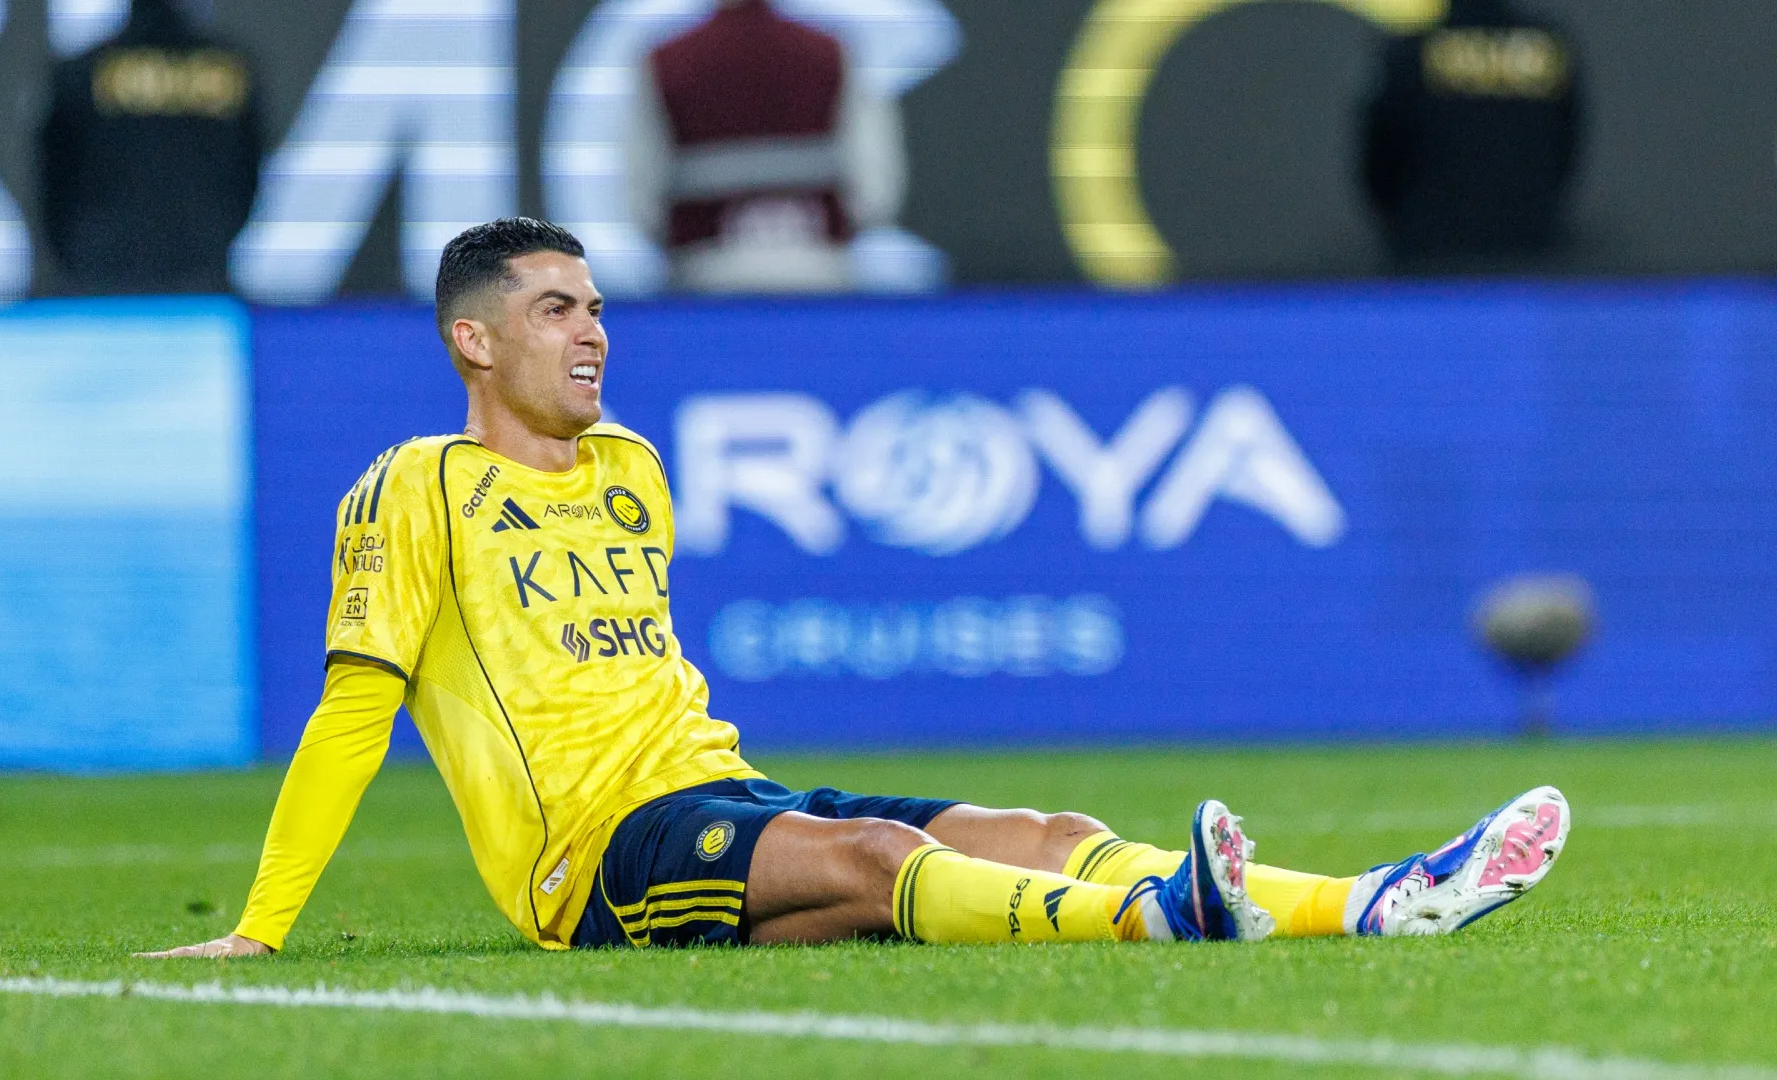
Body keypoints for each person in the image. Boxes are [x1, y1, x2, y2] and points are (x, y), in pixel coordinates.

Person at [137, 218, 1570, 958]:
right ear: (472, 340)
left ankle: (1377, 904)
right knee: (887, 870)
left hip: (719, 792)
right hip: (591, 859)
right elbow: (352, 713)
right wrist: (264, 924)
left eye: (597, 305)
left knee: (1041, 828)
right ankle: (1167, 918)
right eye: (556, 310)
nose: (595, 333)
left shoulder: (633, 466)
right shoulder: (411, 489)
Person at [623, 0, 905, 294]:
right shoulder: (830, 52)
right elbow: (876, 186)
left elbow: (641, 195)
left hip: (704, 277)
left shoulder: (667, 60)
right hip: (820, 271)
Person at [38, 0, 262, 294]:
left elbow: (51, 175)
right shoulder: (232, 70)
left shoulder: (82, 72)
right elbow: (249, 171)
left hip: (101, 279)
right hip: (198, 279)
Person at [1361, 0, 1580, 272]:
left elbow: (1379, 161)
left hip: (1429, 260)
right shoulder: (1547, 48)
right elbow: (1566, 150)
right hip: (1527, 254)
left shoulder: (1411, 50)